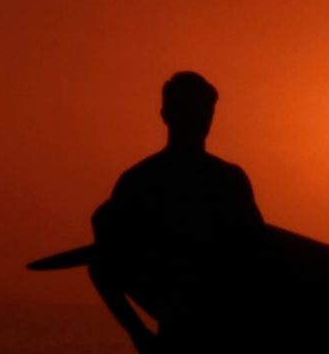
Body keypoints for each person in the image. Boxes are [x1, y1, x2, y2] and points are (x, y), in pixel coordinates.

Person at [88, 72, 267, 353]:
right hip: (182, 335)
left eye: (205, 112)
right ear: (167, 115)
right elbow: (103, 266)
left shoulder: (228, 179)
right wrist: (140, 335)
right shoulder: (140, 183)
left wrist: (140, 335)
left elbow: (260, 257)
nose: (201, 121)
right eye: (192, 112)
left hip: (230, 331)